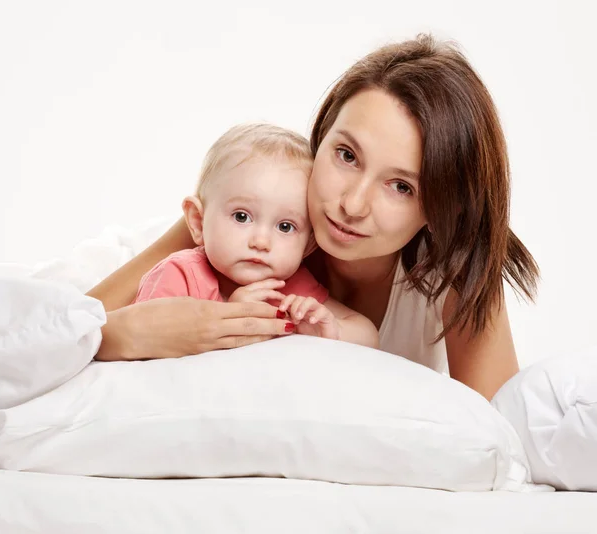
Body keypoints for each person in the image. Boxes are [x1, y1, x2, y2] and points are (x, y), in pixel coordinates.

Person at [88, 33, 539, 401]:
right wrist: (132, 333)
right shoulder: (236, 222)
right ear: (319, 139)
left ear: (441, 207)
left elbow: (500, 436)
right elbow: (64, 331)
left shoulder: (456, 274)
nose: (352, 204)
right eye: (346, 155)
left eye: (402, 186)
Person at [132, 123, 378, 348]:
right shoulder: (179, 275)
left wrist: (331, 328)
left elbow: (368, 335)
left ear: (308, 245)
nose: (261, 242)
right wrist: (229, 318)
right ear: (197, 221)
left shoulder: (291, 288)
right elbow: (143, 347)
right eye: (241, 217)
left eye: (285, 227)